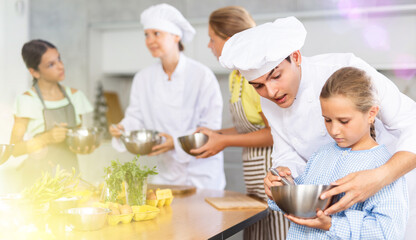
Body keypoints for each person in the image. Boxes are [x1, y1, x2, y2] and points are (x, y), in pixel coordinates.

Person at [219, 17, 416, 239]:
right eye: (258, 86)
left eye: (276, 76)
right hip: (327, 215)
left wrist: (380, 176)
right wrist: (280, 178)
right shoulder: (318, 153)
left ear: (296, 57)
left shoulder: (347, 70)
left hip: (395, 193)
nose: (271, 92)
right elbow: (288, 154)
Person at [268, 66, 408, 239]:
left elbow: (387, 232)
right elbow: (303, 200)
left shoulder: (383, 167)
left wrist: (331, 225)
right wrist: (280, 189)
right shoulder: (322, 154)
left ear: (371, 114)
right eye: (327, 120)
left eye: (344, 121)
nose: (334, 130)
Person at [192, 6, 287, 239]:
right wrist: (216, 134)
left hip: (273, 177)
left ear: (230, 40)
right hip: (255, 184)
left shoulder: (257, 77)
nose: (209, 45)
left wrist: (224, 142)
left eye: (212, 39)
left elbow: (275, 132)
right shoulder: (237, 76)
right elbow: (249, 126)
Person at [109, 3, 225, 190]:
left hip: (202, 173)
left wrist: (176, 143)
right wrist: (123, 128)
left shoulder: (202, 75)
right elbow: (136, 117)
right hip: (165, 174)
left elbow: (210, 128)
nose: (150, 40)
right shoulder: (143, 78)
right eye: (146, 34)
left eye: (157, 33)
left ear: (176, 36)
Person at [10, 39, 93, 191]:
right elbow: (14, 149)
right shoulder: (27, 100)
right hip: (37, 182)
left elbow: (77, 143)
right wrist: (47, 138)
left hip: (70, 180)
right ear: (34, 72)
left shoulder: (75, 96)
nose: (60, 66)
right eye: (51, 64)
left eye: (59, 59)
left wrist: (85, 146)